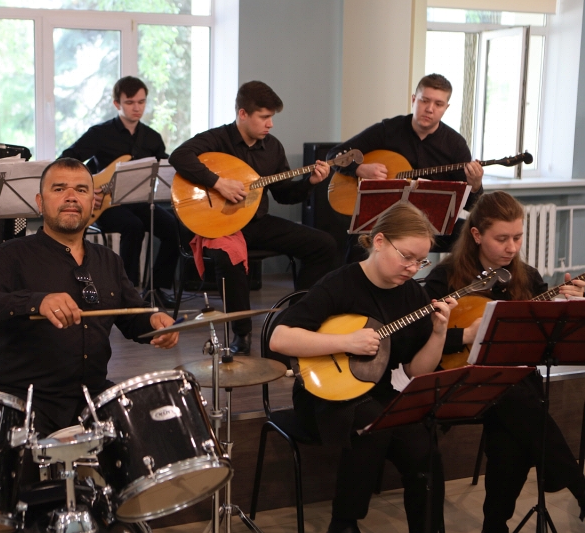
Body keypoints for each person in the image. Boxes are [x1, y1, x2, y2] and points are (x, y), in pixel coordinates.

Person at [269, 202, 453, 533]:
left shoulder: (412, 294)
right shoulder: (340, 284)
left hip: (381, 391)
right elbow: (279, 339)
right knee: (372, 425)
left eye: (421, 261)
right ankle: (344, 523)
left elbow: (416, 371)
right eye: (406, 257)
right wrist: (345, 342)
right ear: (379, 241)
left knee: (422, 445)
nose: (413, 268)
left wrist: (439, 333)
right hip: (323, 395)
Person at [0, 158, 178, 435]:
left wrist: (154, 321)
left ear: (93, 203)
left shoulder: (109, 260)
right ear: (40, 203)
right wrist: (36, 302)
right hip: (25, 402)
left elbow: (132, 315)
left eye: (82, 190)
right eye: (59, 189)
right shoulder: (10, 254)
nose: (72, 196)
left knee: (156, 434)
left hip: (93, 399)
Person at [423, 191, 585, 533]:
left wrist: (568, 306)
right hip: (459, 382)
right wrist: (466, 335)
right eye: (502, 239)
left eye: (517, 237)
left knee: (513, 431)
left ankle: (495, 526)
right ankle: (573, 484)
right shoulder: (445, 278)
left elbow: (543, 341)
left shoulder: (527, 277)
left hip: (511, 389)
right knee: (521, 408)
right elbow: (418, 340)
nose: (512, 248)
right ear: (476, 234)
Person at [169, 81, 337, 354]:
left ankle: (295, 320)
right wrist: (218, 183)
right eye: (264, 117)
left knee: (324, 244)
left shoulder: (272, 148)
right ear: (243, 114)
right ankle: (242, 334)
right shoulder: (218, 139)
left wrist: (310, 183)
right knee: (229, 257)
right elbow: (179, 156)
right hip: (221, 225)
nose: (270, 124)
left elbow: (284, 194)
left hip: (257, 223)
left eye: (272, 117)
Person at [328, 73, 485, 259]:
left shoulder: (455, 145)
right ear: (413, 99)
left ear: (446, 108)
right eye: (424, 101)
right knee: (359, 242)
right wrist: (359, 169)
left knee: (477, 237)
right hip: (385, 219)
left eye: (438, 104)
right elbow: (334, 155)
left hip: (430, 223)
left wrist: (475, 185)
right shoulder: (388, 130)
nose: (430, 109)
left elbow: (471, 205)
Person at [60, 76, 179, 308]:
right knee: (133, 226)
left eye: (141, 102)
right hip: (105, 205)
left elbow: (165, 167)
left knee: (173, 228)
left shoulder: (152, 138)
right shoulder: (100, 133)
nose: (137, 108)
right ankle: (127, 291)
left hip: (139, 201)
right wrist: (86, 190)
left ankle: (156, 288)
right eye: (130, 102)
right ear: (117, 104)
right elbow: (66, 159)